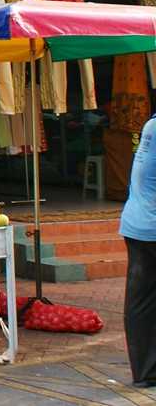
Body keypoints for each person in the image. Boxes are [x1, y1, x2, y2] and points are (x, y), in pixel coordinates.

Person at [121, 114, 156, 388]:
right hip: (152, 225)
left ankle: (145, 373)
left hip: (136, 223)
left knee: (142, 301)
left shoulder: (151, 124)